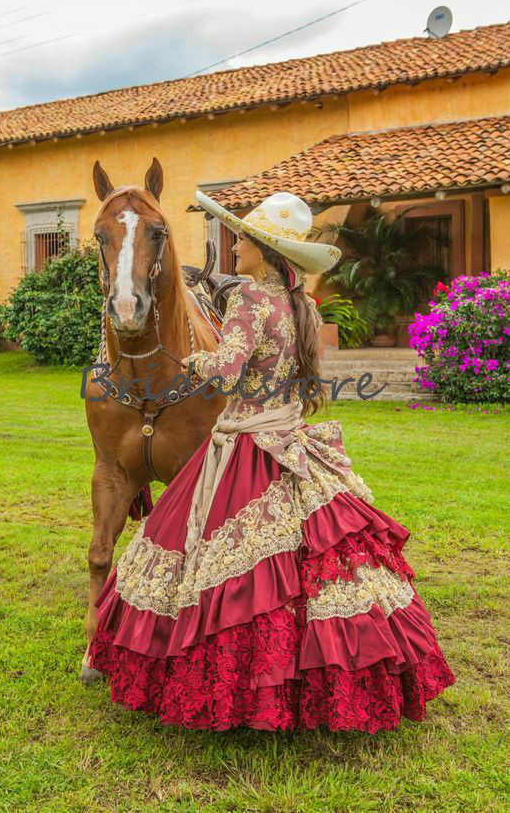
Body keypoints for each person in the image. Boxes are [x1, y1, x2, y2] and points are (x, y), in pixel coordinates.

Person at [88, 189, 455, 732]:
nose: (234, 247)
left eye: (242, 239)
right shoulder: (299, 305)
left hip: (248, 444)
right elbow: (294, 378)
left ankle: (230, 682)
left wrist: (192, 359)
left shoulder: (251, 300)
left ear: (264, 249)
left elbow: (229, 371)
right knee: (309, 567)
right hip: (290, 437)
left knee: (222, 567)